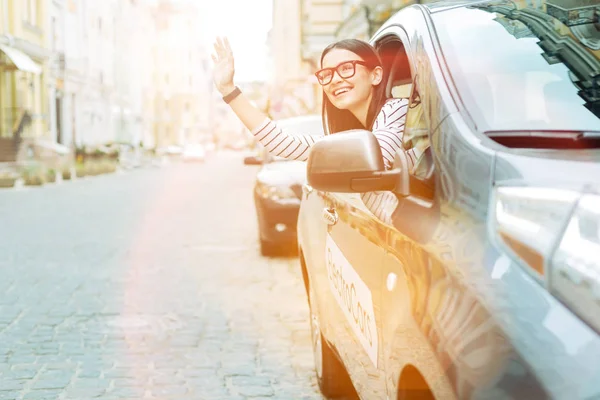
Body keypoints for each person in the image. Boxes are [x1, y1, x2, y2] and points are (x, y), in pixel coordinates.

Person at [211, 37, 417, 222]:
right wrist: (228, 90)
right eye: (327, 74)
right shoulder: (352, 136)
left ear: (376, 75)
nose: (335, 79)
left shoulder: (396, 109)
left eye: (347, 68)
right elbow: (281, 143)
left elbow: (376, 163)